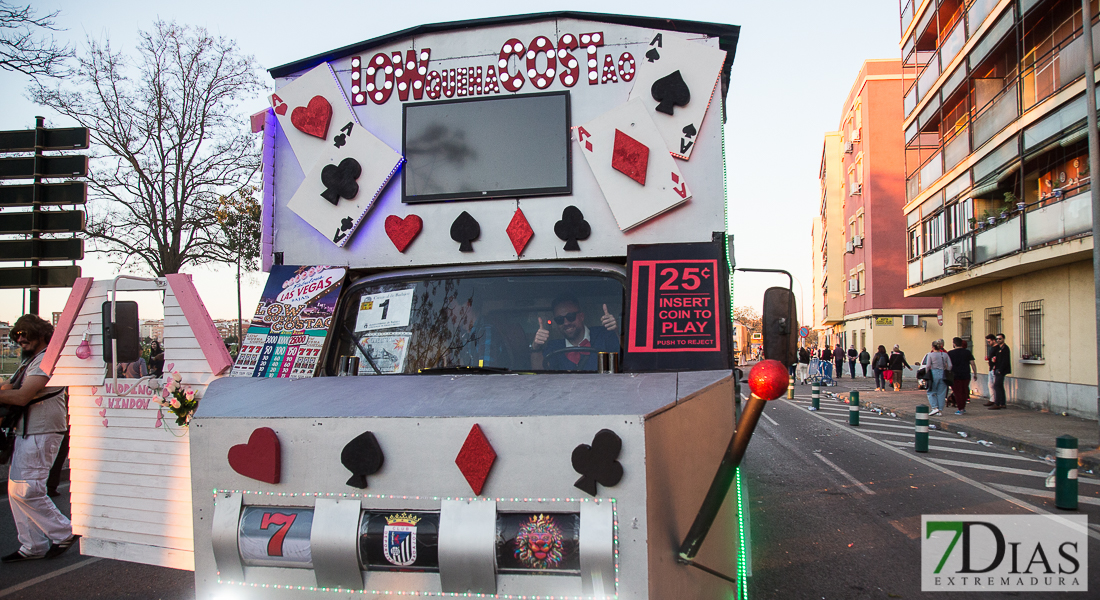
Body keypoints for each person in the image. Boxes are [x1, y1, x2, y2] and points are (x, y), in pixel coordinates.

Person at [0, 315, 78, 562]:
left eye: (25, 334)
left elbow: (22, 396)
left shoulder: (45, 360)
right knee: (16, 489)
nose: (20, 339)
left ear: (41, 334)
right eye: (17, 335)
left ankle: (63, 531)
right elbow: (9, 390)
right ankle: (32, 545)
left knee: (28, 489)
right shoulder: (32, 361)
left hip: (42, 429)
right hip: (29, 429)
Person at [530, 294, 618, 371]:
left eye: (570, 316)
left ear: (581, 316)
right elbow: (540, 375)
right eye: (560, 320)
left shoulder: (604, 335)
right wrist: (536, 346)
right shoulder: (553, 347)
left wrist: (616, 330)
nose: (566, 323)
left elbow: (624, 361)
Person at [920, 340, 953, 416]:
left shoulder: (930, 355)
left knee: (931, 391)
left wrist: (926, 374)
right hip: (943, 373)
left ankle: (934, 407)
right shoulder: (945, 354)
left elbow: (928, 365)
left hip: (933, 373)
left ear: (932, 347)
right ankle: (940, 411)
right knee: (941, 393)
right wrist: (947, 371)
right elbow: (950, 365)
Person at [947, 337, 977, 414]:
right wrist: (975, 373)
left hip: (955, 375)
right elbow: (972, 363)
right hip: (966, 374)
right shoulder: (967, 352)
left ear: (954, 344)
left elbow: (947, 365)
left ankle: (961, 408)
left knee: (957, 392)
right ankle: (962, 407)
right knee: (964, 391)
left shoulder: (950, 353)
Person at [989, 333, 1011, 409]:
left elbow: (1005, 361)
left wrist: (1000, 370)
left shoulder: (1005, 348)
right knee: (1000, 386)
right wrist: (993, 360)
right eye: (997, 339)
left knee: (997, 385)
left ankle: (997, 403)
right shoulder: (998, 348)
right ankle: (1002, 403)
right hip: (997, 368)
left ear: (1003, 339)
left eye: (1000, 339)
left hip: (1001, 370)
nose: (998, 340)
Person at [982, 334, 997, 407]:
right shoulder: (992, 348)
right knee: (990, 384)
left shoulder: (997, 348)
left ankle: (996, 400)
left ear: (994, 340)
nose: (988, 343)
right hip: (991, 368)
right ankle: (992, 399)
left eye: (989, 341)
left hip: (994, 369)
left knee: (994, 385)